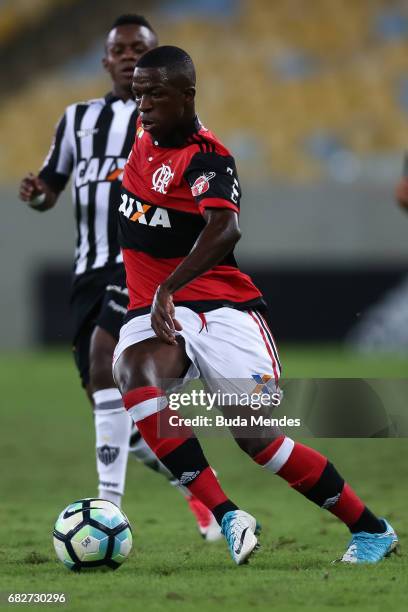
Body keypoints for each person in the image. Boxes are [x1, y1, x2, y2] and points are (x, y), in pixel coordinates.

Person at [113, 45, 399, 565]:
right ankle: (227, 514)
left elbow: (226, 227)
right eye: (139, 95)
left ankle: (372, 529)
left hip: (223, 310)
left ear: (187, 95)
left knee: (256, 437)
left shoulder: (208, 158)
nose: (144, 105)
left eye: (155, 94)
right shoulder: (141, 133)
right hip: (158, 311)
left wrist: (168, 286)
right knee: (136, 375)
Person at [18, 16, 220, 541]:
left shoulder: (163, 120)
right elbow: (51, 189)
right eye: (120, 49)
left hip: (137, 267)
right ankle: (199, 490)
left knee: (105, 359)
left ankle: (107, 509)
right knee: (119, 412)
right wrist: (37, 192)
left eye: (141, 48)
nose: (129, 55)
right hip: (87, 269)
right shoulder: (77, 120)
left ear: (155, 58)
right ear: (106, 60)